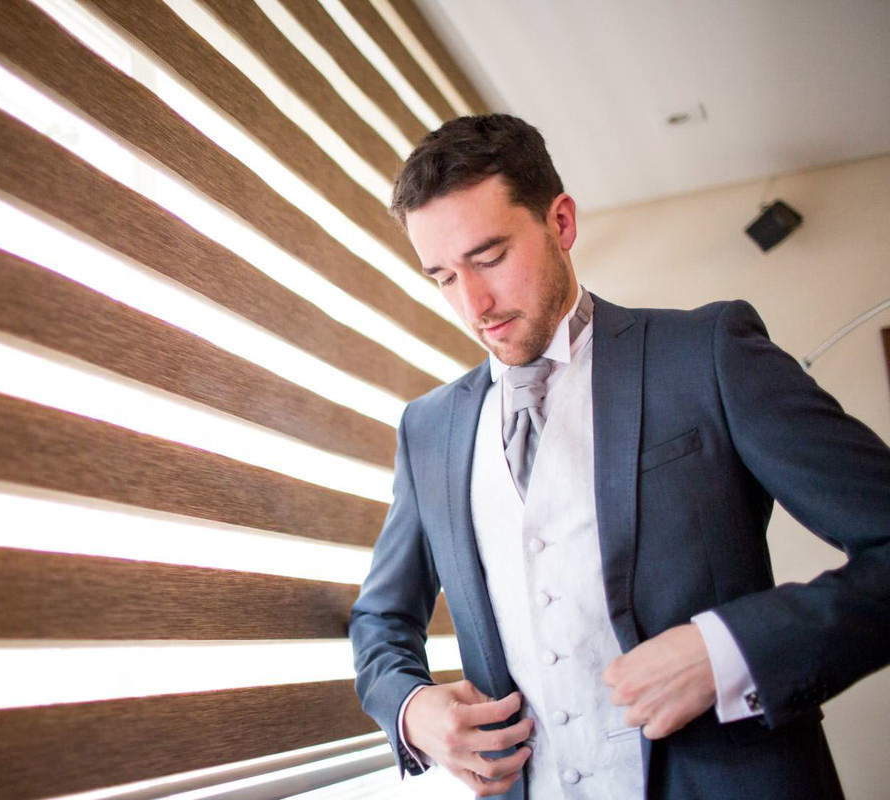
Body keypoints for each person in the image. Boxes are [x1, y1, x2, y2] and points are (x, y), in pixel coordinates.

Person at [349, 114, 890, 799]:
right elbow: (380, 619)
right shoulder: (427, 429)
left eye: (489, 258)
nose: (474, 304)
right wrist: (412, 710)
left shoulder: (708, 355)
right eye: (443, 276)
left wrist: (730, 651)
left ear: (562, 222)